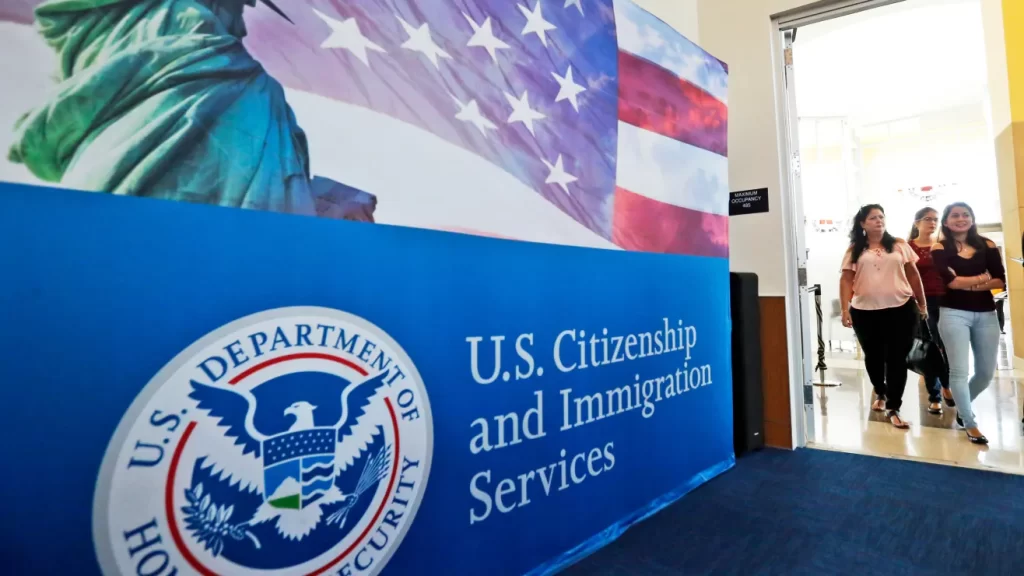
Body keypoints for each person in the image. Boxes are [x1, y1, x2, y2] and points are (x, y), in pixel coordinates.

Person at [840, 204, 928, 429]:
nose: (878, 220)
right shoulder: (855, 249)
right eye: (872, 218)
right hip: (864, 312)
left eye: (881, 216)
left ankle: (894, 407)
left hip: (901, 308)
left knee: (898, 358)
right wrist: (844, 309)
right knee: (874, 356)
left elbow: (913, 274)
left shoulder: (899, 245)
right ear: (862, 224)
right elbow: (846, 279)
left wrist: (922, 302)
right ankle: (880, 390)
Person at [932, 202, 1005, 445]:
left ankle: (963, 407)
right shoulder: (940, 247)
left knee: (985, 373)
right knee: (959, 371)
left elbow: (1000, 281)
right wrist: (983, 277)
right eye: (955, 215)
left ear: (972, 219)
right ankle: (969, 422)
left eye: (966, 215)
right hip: (953, 313)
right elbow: (951, 282)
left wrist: (969, 283)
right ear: (946, 221)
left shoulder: (987, 244)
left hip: (986, 313)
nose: (961, 219)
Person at [907, 207, 953, 414]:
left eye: (935, 219)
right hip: (920, 302)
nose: (932, 223)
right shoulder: (908, 247)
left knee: (946, 346)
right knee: (929, 348)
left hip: (945, 299)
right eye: (927, 219)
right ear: (917, 222)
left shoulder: (943, 245)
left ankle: (946, 385)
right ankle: (935, 395)